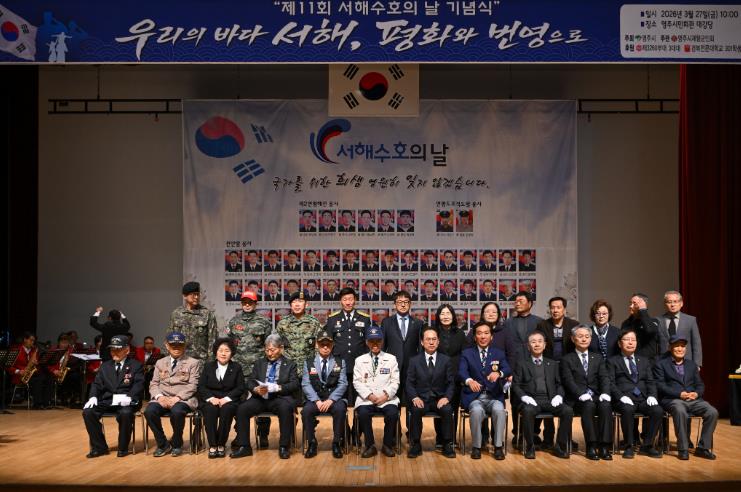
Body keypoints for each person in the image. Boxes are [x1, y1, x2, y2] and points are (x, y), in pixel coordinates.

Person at [232, 334, 299, 459]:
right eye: (267, 350)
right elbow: (251, 381)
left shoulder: (290, 364)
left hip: (279, 398)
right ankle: (244, 447)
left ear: (281, 348)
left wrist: (278, 387)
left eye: (272, 350)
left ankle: (284, 446)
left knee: (285, 409)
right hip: (260, 398)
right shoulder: (259, 363)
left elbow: (295, 384)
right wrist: (255, 389)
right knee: (242, 409)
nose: (269, 353)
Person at [653, 335, 717, 460]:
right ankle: (683, 448)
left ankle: (703, 448)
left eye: (682, 346)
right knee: (680, 409)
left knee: (712, 412)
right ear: (670, 348)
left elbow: (700, 384)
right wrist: (679, 394)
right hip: (673, 400)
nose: (680, 349)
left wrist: (696, 393)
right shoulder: (661, 364)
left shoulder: (691, 365)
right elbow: (660, 386)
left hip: (693, 399)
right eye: (677, 346)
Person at [512, 331, 573, 459]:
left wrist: (559, 396)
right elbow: (515, 385)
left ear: (545, 345)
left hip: (550, 400)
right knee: (528, 411)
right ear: (528, 346)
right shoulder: (521, 364)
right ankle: (530, 447)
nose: (537, 344)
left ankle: (560, 446)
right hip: (531, 401)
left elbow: (559, 384)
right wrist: (524, 397)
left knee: (567, 411)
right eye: (533, 342)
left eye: (540, 341)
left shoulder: (552, 364)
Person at [82, 335, 144, 458]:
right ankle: (100, 447)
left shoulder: (136, 365)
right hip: (109, 400)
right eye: (112, 349)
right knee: (88, 412)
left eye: (118, 349)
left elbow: (139, 384)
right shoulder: (105, 366)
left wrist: (130, 397)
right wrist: (93, 397)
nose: (114, 352)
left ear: (127, 350)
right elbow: (97, 384)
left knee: (125, 413)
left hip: (127, 401)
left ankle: (123, 448)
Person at [226, 290, 273, 447]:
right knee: (239, 403)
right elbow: (229, 345)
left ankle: (263, 434)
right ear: (241, 303)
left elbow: (268, 346)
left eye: (250, 302)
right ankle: (240, 435)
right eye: (244, 302)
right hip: (239, 369)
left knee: (263, 399)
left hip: (258, 369)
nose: (247, 305)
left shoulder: (264, 322)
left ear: (255, 304)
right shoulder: (233, 321)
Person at [607, 328, 663, 459]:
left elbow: (650, 381)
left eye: (633, 340)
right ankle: (629, 445)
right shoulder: (612, 361)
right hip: (624, 399)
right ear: (619, 343)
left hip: (643, 398)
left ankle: (647, 445)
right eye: (627, 339)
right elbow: (610, 383)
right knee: (628, 409)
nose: (630, 342)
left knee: (657, 410)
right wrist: (621, 397)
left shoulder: (644, 360)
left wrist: (652, 395)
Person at [560, 325, 613, 460]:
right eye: (580, 336)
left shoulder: (598, 358)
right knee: (588, 406)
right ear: (573, 339)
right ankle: (591, 445)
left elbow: (604, 377)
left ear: (590, 339)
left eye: (587, 336)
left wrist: (605, 392)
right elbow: (568, 381)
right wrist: (580, 394)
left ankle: (604, 446)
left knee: (606, 405)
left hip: (595, 395)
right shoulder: (567, 359)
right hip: (577, 398)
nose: (584, 339)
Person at [145, 332, 203, 457]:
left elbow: (193, 385)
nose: (176, 348)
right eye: (173, 345)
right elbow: (154, 384)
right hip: (162, 397)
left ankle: (177, 443)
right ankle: (163, 444)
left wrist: (178, 397)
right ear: (167, 345)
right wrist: (159, 397)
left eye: (179, 345)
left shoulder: (193, 362)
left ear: (184, 345)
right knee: (149, 411)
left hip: (183, 399)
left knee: (177, 411)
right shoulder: (160, 362)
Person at [460, 321, 511, 459]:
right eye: (479, 333)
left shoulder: (498, 353)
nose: (483, 336)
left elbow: (507, 368)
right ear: (474, 337)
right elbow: (462, 372)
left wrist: (499, 373)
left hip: (494, 396)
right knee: (476, 411)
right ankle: (476, 447)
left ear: (491, 336)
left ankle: (498, 446)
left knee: (499, 410)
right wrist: (469, 381)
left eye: (486, 333)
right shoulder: (467, 353)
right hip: (475, 397)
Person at [406, 326, 456, 458]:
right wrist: (415, 397)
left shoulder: (446, 360)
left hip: (439, 399)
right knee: (415, 410)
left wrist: (447, 397)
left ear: (438, 342)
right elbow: (409, 383)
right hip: (421, 399)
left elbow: (451, 382)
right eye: (428, 339)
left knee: (447, 410)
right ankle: (416, 444)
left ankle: (447, 443)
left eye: (434, 339)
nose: (431, 342)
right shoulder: (414, 361)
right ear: (422, 342)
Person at [353, 327, 400, 458]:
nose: (375, 344)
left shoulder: (391, 359)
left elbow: (395, 382)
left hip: (386, 399)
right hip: (367, 399)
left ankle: (387, 445)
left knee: (392, 413)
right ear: (366, 342)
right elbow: (357, 382)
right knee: (363, 413)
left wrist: (386, 396)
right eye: (371, 341)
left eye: (378, 341)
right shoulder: (359, 360)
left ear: (382, 341)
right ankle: (370, 445)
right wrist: (370, 396)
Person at [301, 330, 348, 459]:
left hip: (333, 399)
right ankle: (312, 442)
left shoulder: (340, 362)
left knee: (340, 409)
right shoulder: (308, 362)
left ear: (332, 345)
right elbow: (306, 384)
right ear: (317, 344)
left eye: (328, 344)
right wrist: (317, 401)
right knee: (306, 411)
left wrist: (331, 400)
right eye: (322, 344)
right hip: (316, 399)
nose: (325, 347)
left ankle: (336, 443)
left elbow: (343, 384)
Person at [198, 338, 244, 459]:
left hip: (229, 400)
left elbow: (240, 387)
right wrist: (211, 398)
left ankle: (221, 444)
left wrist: (226, 398)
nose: (223, 354)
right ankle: (213, 445)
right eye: (220, 350)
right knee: (210, 410)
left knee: (227, 410)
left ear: (232, 353)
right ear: (216, 352)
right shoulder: (208, 366)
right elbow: (201, 386)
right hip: (211, 399)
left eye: (227, 351)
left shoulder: (237, 367)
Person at [325, 288, 370, 396]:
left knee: (359, 394)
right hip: (339, 363)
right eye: (345, 299)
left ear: (355, 300)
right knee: (340, 394)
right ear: (340, 301)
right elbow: (328, 342)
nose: (348, 302)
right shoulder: (333, 318)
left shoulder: (364, 318)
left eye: (350, 299)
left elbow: (368, 342)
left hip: (359, 362)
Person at [382, 291, 423, 404]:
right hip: (392, 366)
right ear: (395, 304)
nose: (403, 305)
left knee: (412, 398)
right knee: (393, 400)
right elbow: (383, 346)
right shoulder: (387, 322)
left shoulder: (418, 323)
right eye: (400, 302)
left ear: (410, 304)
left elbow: (420, 347)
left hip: (412, 366)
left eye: (406, 302)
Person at [274, 292, 322, 378]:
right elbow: (276, 345)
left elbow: (319, 346)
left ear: (306, 304)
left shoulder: (314, 322)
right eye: (294, 302)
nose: (297, 304)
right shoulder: (283, 323)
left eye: (300, 301)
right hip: (288, 369)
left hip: (308, 368)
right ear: (290, 305)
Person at [167, 281, 218, 361]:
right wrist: (169, 360)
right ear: (185, 296)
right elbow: (169, 337)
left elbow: (213, 340)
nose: (196, 297)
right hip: (180, 361)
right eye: (193, 294)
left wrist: (211, 363)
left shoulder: (207, 314)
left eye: (198, 294)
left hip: (200, 362)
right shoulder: (176, 314)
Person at [8, 331, 53, 409]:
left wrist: (36, 363)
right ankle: (37, 404)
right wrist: (18, 371)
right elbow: (8, 366)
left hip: (31, 374)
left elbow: (36, 366)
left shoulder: (34, 350)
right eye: (31, 340)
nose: (32, 342)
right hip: (20, 376)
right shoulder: (15, 350)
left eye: (33, 341)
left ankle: (46, 402)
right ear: (25, 339)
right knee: (39, 379)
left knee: (49, 378)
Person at [657, 291, 702, 368]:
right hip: (664, 363)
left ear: (681, 303)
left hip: (686, 362)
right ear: (665, 304)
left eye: (675, 301)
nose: (672, 305)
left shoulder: (690, 320)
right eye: (669, 302)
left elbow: (696, 343)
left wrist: (697, 364)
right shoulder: (658, 320)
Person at [504, 291, 543, 367]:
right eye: (516, 302)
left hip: (534, 363)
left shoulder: (539, 322)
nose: (518, 304)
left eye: (521, 301)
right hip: (513, 363)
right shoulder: (508, 323)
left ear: (529, 304)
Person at [537, 297, 579, 361]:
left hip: (569, 361)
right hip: (549, 361)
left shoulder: (574, 325)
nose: (555, 310)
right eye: (552, 308)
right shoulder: (542, 325)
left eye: (558, 307)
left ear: (564, 310)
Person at [621, 293, 660, 362]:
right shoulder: (626, 323)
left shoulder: (653, 321)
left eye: (634, 303)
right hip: (630, 361)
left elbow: (650, 330)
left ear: (643, 305)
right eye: (630, 303)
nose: (630, 306)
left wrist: (643, 310)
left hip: (648, 363)